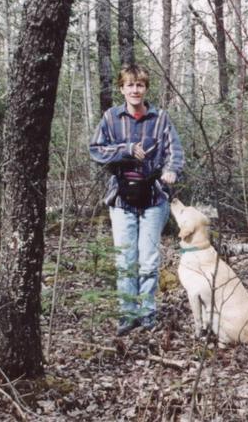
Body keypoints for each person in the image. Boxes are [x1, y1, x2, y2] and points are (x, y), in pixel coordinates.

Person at [89, 64, 184, 335]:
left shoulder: (160, 118)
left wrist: (171, 170)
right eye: (130, 85)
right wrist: (126, 150)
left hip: (154, 197)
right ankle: (127, 314)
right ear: (122, 88)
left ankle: (147, 314)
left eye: (140, 85)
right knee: (125, 260)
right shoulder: (110, 117)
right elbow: (96, 150)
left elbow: (175, 151)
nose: (135, 90)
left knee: (149, 260)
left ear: (146, 88)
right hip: (121, 198)